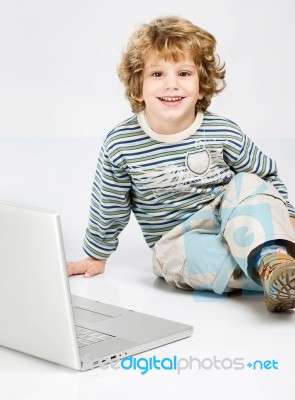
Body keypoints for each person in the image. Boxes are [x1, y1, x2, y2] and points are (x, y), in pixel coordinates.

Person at [67, 16, 295, 312]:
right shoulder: (121, 144)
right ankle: (275, 277)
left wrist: (288, 217)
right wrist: (96, 254)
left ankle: (273, 255)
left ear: (202, 87)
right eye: (158, 74)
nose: (171, 84)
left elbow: (265, 176)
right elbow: (109, 204)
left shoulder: (223, 131)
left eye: (184, 73)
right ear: (137, 88)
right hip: (177, 238)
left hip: (232, 216)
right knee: (177, 259)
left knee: (248, 183)